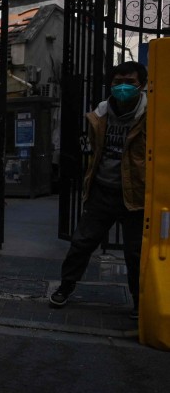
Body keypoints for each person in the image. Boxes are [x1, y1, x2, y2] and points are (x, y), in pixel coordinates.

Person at [49, 61, 148, 319]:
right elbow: (95, 151)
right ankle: (65, 287)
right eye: (117, 83)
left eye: (131, 83)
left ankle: (140, 303)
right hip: (102, 190)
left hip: (135, 195)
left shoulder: (151, 114)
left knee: (135, 253)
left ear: (143, 85)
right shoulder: (101, 113)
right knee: (81, 242)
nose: (123, 87)